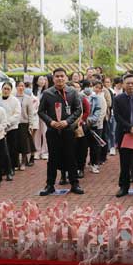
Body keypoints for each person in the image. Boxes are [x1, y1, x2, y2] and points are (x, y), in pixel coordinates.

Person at [37, 68, 84, 196]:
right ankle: (50, 185)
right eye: (57, 76)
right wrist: (50, 122)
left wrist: (67, 122)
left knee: (71, 157)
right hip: (53, 131)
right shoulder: (47, 93)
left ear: (66, 78)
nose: (60, 78)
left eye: (62, 76)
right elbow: (41, 111)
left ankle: (75, 184)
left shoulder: (73, 92)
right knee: (52, 158)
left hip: (68, 130)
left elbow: (78, 110)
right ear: (53, 78)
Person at [0, 82, 21, 176]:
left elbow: (17, 114)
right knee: (2, 149)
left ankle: (12, 167)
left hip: (12, 127)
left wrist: (7, 123)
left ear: (11, 90)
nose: (6, 91)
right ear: (2, 89)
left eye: (8, 89)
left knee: (12, 149)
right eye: (4, 88)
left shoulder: (15, 101)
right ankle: (3, 168)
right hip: (0, 129)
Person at [83, 80, 104, 174]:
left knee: (94, 146)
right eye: (91, 86)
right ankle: (81, 165)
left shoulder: (98, 98)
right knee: (83, 146)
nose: (91, 88)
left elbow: (99, 112)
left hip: (95, 125)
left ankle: (94, 164)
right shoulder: (80, 96)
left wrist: (90, 120)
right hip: (82, 125)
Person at [15, 82, 36, 169]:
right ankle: (16, 162)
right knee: (15, 143)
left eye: (22, 86)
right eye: (19, 86)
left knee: (24, 143)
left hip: (24, 123)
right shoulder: (13, 98)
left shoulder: (28, 98)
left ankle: (23, 162)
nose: (21, 87)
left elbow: (30, 113)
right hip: (14, 123)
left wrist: (31, 124)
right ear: (16, 87)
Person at [33, 75, 50, 160]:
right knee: (37, 133)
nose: (43, 81)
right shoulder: (33, 92)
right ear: (36, 81)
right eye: (40, 79)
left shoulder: (47, 92)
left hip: (44, 114)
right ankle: (37, 151)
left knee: (45, 133)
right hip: (35, 115)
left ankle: (45, 152)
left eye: (44, 79)